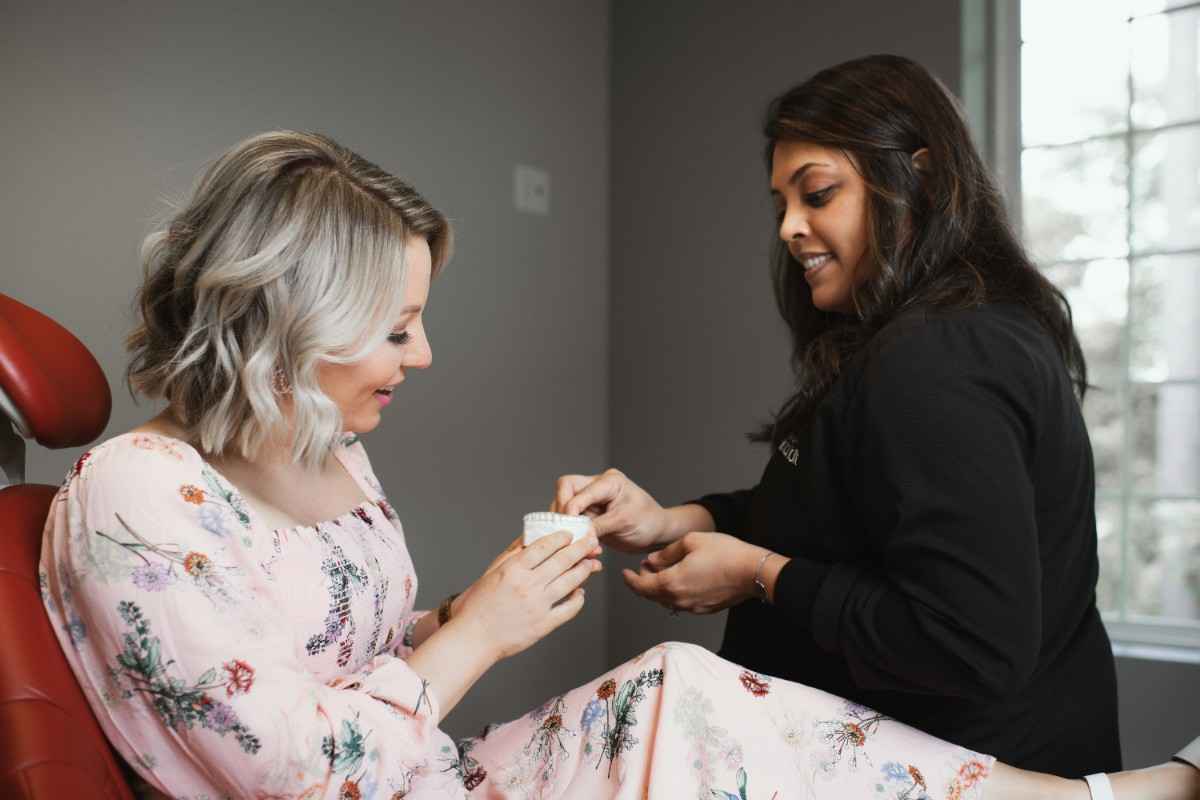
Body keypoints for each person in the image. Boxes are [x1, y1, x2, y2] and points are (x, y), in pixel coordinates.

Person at [38, 131, 1196, 800]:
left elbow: (340, 656)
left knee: (673, 688)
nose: (425, 354)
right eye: (396, 328)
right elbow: (286, 757)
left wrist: (480, 600)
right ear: (283, 317)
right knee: (685, 716)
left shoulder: (332, 453)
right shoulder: (133, 497)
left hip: (427, 776)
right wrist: (480, 630)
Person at [552, 52, 1143, 779]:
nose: (790, 228)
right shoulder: (930, 334)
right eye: (781, 207)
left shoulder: (940, 356)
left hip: (974, 767)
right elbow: (843, 516)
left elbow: (969, 640)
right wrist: (675, 522)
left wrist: (760, 575)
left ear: (918, 179)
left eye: (819, 194)